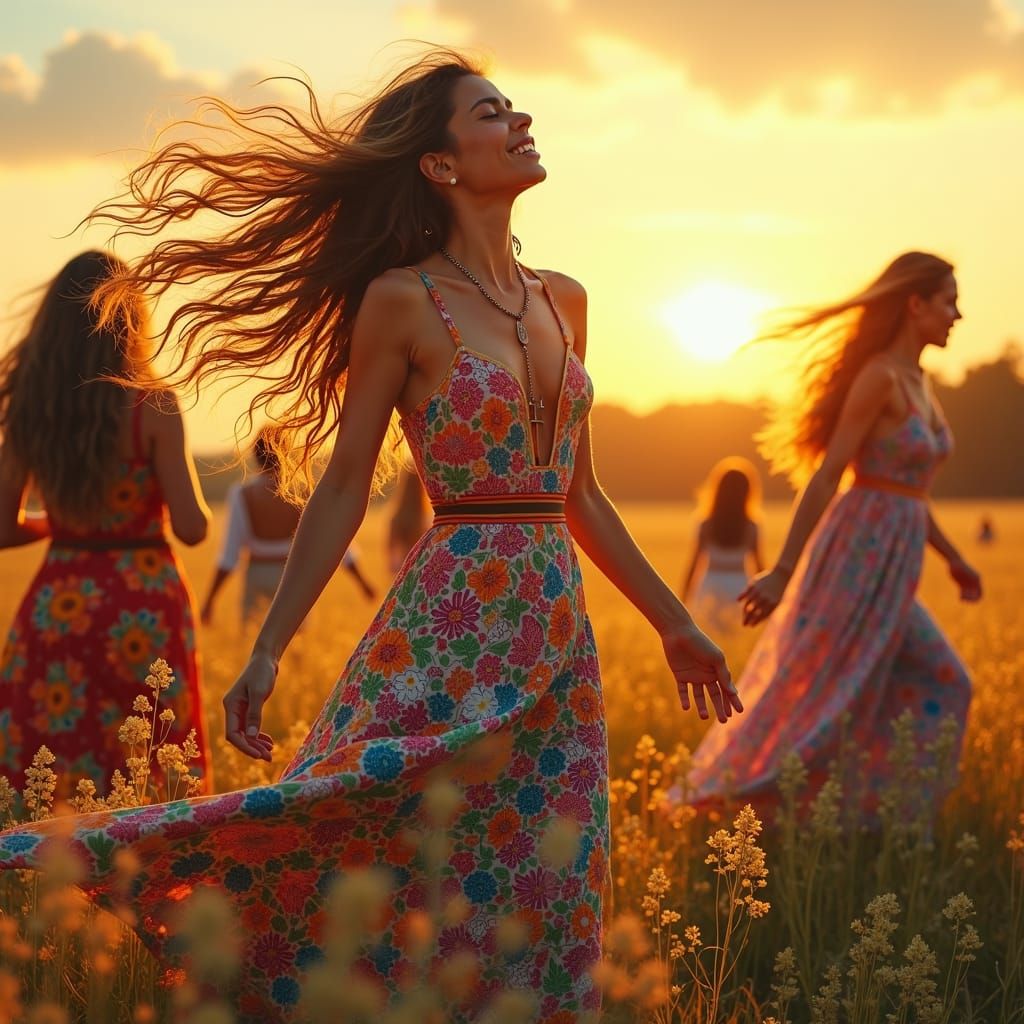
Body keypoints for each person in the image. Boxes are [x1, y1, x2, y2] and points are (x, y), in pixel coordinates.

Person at [0, 53, 740, 1022]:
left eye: (514, 106)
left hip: (557, 633)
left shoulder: (568, 299)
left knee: (554, 883)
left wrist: (675, 623)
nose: (519, 119)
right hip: (448, 618)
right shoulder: (401, 300)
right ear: (438, 165)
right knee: (377, 836)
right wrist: (267, 650)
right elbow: (346, 484)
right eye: (489, 112)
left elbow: (582, 496)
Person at [689, 251, 979, 821]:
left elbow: (911, 494)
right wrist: (783, 570)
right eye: (949, 301)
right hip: (855, 560)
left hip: (897, 565)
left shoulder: (921, 381)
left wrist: (955, 558)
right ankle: (733, 801)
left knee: (933, 681)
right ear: (915, 304)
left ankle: (881, 818)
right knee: (828, 691)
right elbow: (828, 475)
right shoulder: (880, 377)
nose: (958, 314)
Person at [0, 250, 213, 799]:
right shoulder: (154, 406)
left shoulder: (31, 407)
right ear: (131, 320)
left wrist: (65, 528)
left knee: (55, 769)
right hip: (143, 603)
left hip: (60, 601)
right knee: (144, 767)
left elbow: (3, 528)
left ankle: (46, 880)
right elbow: (191, 528)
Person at [201, 426, 376, 626]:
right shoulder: (302, 493)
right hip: (294, 578)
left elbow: (229, 555)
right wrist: (362, 582)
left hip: (257, 573)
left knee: (253, 643)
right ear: (288, 453)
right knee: (295, 645)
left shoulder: (242, 494)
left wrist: (209, 600)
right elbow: (332, 540)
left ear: (255, 455)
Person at [680, 456, 764, 630]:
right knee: (737, 634)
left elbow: (694, 563)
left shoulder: (705, 524)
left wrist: (682, 598)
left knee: (710, 635)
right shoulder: (751, 526)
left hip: (710, 586)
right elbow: (759, 566)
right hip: (740, 589)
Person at [386, 465, 433, 573]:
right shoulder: (429, 517)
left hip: (404, 569)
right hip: (425, 568)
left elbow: (391, 552)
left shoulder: (397, 517)